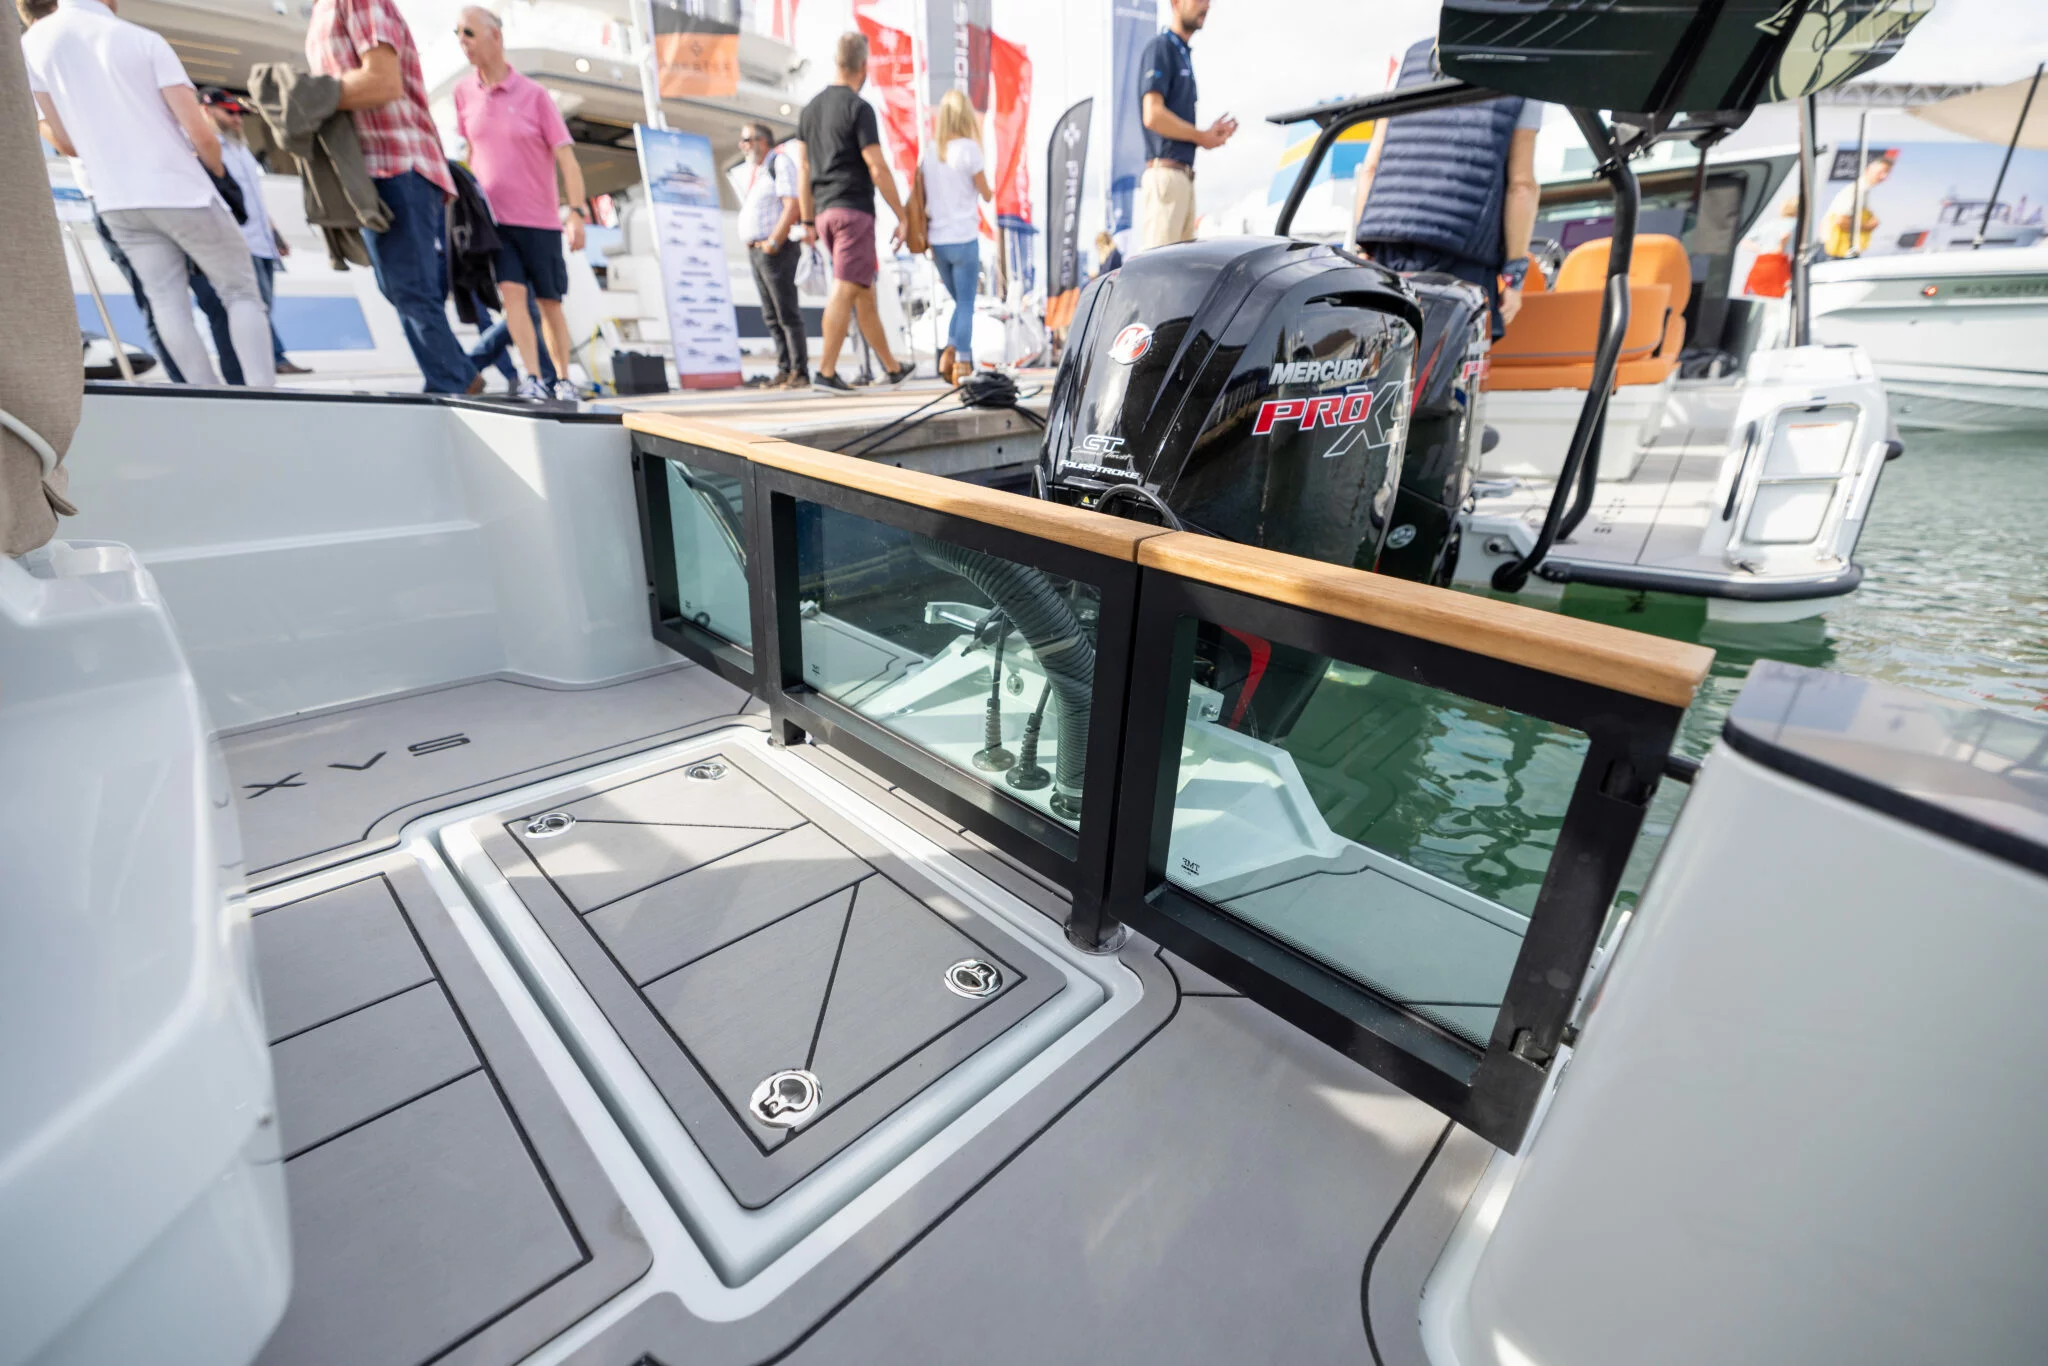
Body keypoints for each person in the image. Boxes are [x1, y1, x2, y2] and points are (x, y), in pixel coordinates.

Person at [25, 0, 275, 387]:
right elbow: (201, 134)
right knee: (240, 292)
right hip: (180, 191)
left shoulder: (32, 46)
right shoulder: (139, 39)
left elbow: (67, 143)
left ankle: (205, 396)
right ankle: (262, 391)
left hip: (116, 201)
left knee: (165, 301)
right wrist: (218, 173)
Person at [307, 0, 480, 393]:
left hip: (399, 163)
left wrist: (310, 95)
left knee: (409, 288)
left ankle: (451, 385)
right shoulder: (322, 9)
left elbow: (383, 82)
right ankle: (459, 376)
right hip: (373, 173)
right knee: (401, 287)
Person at [1352, 37, 1542, 339]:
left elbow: (1371, 168)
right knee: (1449, 359)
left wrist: (1363, 249)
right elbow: (1521, 186)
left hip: (1389, 248)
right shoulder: (1524, 65)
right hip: (1463, 257)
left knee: (1388, 350)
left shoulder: (1410, 60)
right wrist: (1514, 277)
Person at [452, 6, 585, 401]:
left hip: (541, 221)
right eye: (457, 34)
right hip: (494, 224)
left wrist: (576, 212)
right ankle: (532, 378)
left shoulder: (535, 95)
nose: (462, 41)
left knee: (549, 304)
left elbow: (567, 160)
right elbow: (471, 152)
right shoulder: (462, 94)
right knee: (512, 300)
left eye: (469, 32)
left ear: (495, 36)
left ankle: (562, 379)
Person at [795, 30, 914, 393]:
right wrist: (903, 215)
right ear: (863, 66)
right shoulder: (858, 108)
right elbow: (876, 166)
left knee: (864, 292)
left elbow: (803, 169)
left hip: (825, 214)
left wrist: (807, 220)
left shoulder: (810, 110)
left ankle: (892, 368)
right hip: (852, 212)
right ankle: (826, 372)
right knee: (846, 287)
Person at [199, 87, 310, 377]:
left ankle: (270, 359)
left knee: (263, 306)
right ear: (206, 111)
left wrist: (274, 233)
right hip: (237, 242)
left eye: (239, 114)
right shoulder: (206, 148)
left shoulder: (241, 149)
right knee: (250, 306)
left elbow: (254, 199)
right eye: (229, 113)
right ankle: (267, 362)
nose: (237, 119)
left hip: (262, 242)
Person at [1136, 0, 1236, 251]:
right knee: (1158, 269)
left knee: (1179, 269)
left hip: (1182, 178)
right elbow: (1153, 115)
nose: (1206, 6)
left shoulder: (1181, 53)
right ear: (1175, 3)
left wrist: (1206, 136)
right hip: (1166, 177)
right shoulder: (1161, 48)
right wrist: (1201, 136)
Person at [922, 90, 992, 384]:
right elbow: (986, 193)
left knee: (960, 301)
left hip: (937, 242)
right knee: (965, 304)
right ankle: (962, 362)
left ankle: (949, 351)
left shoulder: (930, 152)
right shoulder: (969, 149)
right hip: (964, 238)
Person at [731, 122, 807, 388]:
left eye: (746, 140)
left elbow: (792, 205)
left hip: (776, 250)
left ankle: (799, 371)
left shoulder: (780, 163)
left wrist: (774, 241)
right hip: (758, 251)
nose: (742, 146)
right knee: (771, 315)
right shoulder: (759, 171)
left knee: (787, 313)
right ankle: (785, 369)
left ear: (762, 141)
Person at [1823, 153, 1892, 258]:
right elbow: (1840, 221)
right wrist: (1867, 226)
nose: (1884, 176)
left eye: (1887, 173)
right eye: (1881, 171)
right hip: (1837, 251)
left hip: (1843, 250)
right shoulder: (1855, 191)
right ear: (1869, 169)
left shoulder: (1863, 191)